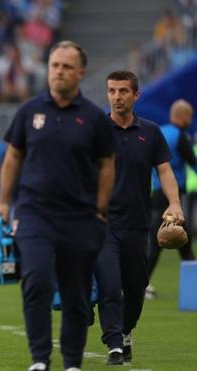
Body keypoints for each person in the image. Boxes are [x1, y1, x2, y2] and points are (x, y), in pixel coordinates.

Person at [0, 40, 116, 371]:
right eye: (54, 65)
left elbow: (107, 164)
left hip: (80, 216)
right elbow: (13, 157)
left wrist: (101, 210)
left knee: (76, 294)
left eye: (65, 67)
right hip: (34, 214)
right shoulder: (29, 111)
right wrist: (4, 202)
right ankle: (39, 360)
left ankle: (72, 363)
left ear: (80, 72)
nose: (58, 71)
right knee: (36, 280)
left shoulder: (93, 118)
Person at [95, 70, 183, 365]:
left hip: (138, 224)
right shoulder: (96, 132)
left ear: (136, 95)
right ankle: (114, 344)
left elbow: (165, 170)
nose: (116, 97)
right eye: (111, 91)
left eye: (122, 91)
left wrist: (174, 203)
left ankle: (127, 331)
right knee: (108, 284)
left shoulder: (151, 132)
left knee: (136, 286)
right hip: (103, 224)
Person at [147, 99, 196, 299]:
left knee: (183, 241)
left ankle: (192, 288)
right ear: (183, 116)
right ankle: (141, 284)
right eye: (190, 116)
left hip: (156, 193)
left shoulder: (159, 132)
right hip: (172, 197)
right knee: (160, 241)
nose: (190, 120)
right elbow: (193, 162)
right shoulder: (180, 136)